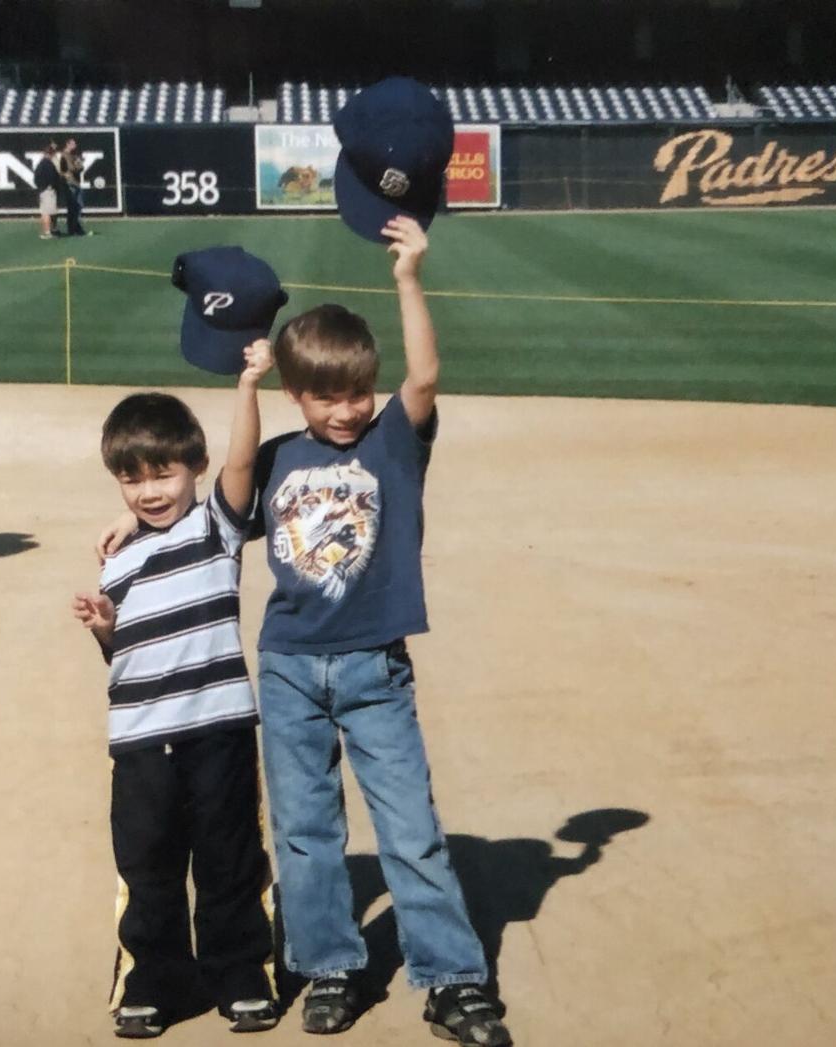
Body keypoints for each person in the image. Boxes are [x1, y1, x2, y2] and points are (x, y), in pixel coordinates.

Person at [250, 216, 512, 1044]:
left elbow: (425, 376)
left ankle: (452, 976)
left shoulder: (393, 441)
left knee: (410, 829)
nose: (347, 407)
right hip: (290, 667)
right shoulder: (275, 459)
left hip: (373, 667)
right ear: (298, 394)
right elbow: (208, 506)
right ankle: (329, 963)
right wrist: (131, 527)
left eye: (358, 390)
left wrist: (408, 278)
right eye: (327, 395)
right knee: (304, 829)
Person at [72, 345, 279, 1039]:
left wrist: (249, 381)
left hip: (218, 726)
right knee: (148, 863)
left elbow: (244, 462)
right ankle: (154, 979)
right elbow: (121, 657)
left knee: (229, 855)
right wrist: (105, 628)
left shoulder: (216, 528)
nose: (148, 491)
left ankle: (240, 971)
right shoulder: (118, 562)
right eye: (132, 479)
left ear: (193, 467)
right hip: (139, 741)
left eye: (163, 472)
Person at [58, 136, 88, 237]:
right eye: (73, 144)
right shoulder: (64, 156)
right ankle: (73, 229)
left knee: (78, 206)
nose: (75, 146)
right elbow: (61, 170)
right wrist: (66, 174)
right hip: (70, 183)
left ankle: (76, 228)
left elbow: (79, 168)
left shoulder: (73, 156)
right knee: (73, 207)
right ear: (68, 144)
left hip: (76, 183)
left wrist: (79, 164)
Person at [34, 140, 64, 239]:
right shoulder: (47, 164)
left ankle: (51, 230)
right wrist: (50, 186)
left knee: (50, 211)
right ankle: (48, 231)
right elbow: (52, 177)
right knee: (47, 212)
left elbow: (36, 178)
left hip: (45, 190)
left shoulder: (43, 163)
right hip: (48, 190)